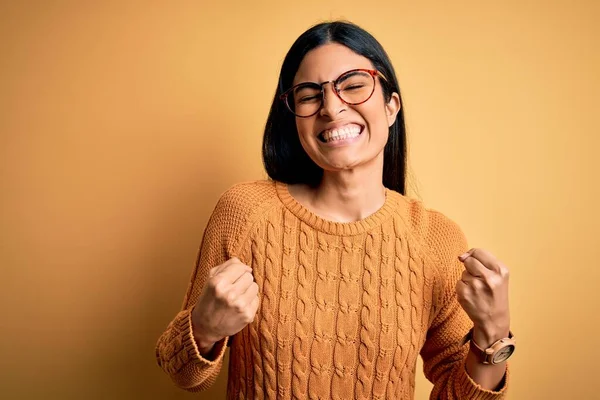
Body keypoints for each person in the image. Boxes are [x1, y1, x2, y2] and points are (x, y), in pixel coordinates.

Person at [155, 20, 515, 399]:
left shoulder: (434, 239)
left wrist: (493, 333)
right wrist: (205, 327)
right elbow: (183, 374)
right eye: (310, 95)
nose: (331, 107)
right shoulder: (245, 212)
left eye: (354, 85)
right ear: (294, 118)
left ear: (391, 107)